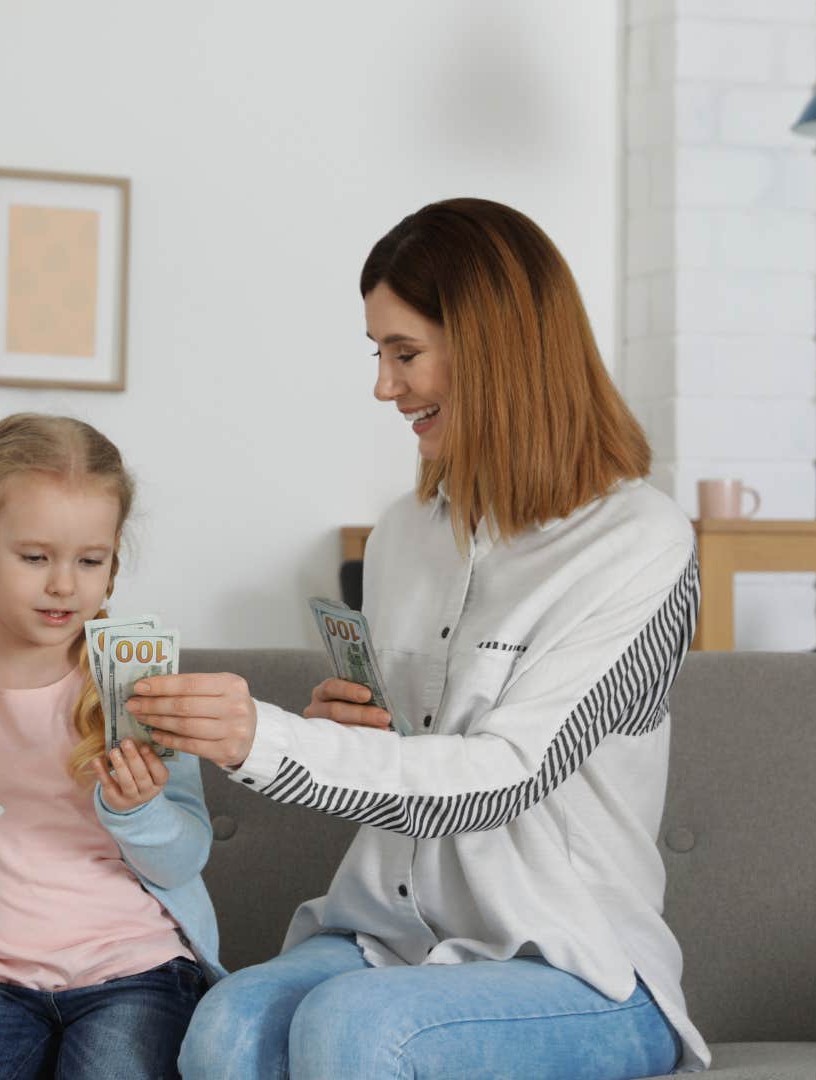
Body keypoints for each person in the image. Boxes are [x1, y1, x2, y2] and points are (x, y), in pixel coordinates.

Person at [144, 199, 712, 1078]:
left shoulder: (637, 542)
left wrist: (267, 740)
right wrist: (347, 728)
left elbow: (501, 779)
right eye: (379, 355)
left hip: (570, 964)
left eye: (404, 354)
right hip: (389, 936)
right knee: (227, 1027)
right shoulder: (402, 535)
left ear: (493, 347)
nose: (383, 386)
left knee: (357, 1028)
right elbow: (416, 753)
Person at [0, 413, 222, 1080]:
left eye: (90, 561)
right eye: (34, 558)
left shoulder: (138, 687)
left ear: (113, 566)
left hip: (136, 969)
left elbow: (186, 855)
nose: (63, 584)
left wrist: (140, 811)